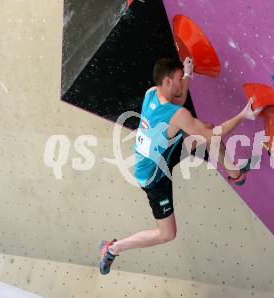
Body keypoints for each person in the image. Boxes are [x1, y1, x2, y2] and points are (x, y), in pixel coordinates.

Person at [99, 57, 260, 275]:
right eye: (177, 79)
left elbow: (179, 102)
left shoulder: (151, 93)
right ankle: (112, 249)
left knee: (205, 131)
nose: (180, 82)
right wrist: (243, 115)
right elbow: (211, 132)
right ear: (166, 82)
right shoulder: (175, 114)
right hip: (154, 178)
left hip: (162, 151)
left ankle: (235, 173)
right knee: (167, 234)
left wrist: (187, 74)